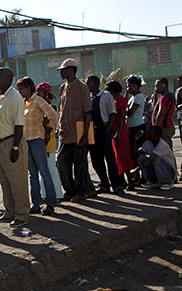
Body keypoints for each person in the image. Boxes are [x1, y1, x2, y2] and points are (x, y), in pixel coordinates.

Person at [0, 67, 29, 227]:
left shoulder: (15, 97)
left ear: (7, 79)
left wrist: (16, 147)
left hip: (11, 143)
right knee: (4, 181)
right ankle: (9, 211)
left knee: (17, 182)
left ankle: (22, 214)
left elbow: (19, 124)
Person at [17, 76, 60, 215]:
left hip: (37, 140)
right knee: (32, 174)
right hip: (26, 141)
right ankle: (36, 203)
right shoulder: (24, 103)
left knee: (44, 172)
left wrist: (47, 130)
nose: (20, 91)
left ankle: (51, 203)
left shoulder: (38, 100)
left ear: (29, 88)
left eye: (21, 89)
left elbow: (53, 116)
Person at [56, 58, 92, 203]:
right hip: (66, 132)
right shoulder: (62, 88)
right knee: (61, 161)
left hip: (80, 130)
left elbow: (87, 112)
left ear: (71, 70)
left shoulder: (82, 87)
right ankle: (69, 191)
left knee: (80, 164)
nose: (62, 72)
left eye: (63, 70)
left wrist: (85, 135)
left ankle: (80, 192)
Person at [86, 75, 125, 195]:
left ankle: (117, 185)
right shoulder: (88, 98)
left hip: (104, 130)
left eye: (88, 83)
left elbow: (112, 113)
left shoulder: (106, 96)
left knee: (110, 159)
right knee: (96, 160)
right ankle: (104, 184)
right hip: (92, 131)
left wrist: (108, 129)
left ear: (95, 83)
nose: (87, 85)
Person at [36, 82, 63, 201]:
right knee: (43, 171)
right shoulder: (39, 107)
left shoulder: (51, 107)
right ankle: (45, 195)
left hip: (48, 142)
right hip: (42, 142)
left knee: (51, 169)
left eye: (40, 91)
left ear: (47, 94)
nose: (38, 94)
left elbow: (47, 125)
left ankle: (57, 195)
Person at [105, 81, 135, 190]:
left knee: (123, 157)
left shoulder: (120, 100)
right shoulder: (114, 100)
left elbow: (122, 118)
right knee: (117, 157)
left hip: (120, 131)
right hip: (114, 130)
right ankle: (123, 180)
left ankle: (130, 179)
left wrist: (118, 133)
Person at [133, 125, 177, 191]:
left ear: (156, 135)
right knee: (141, 158)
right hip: (157, 169)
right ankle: (152, 181)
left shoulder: (162, 145)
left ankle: (168, 183)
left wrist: (135, 171)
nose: (147, 134)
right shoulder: (148, 143)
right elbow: (136, 154)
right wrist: (135, 140)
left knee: (157, 159)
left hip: (169, 171)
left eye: (150, 133)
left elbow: (150, 160)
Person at [126, 76, 147, 162]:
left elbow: (130, 112)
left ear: (135, 85)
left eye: (128, 85)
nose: (127, 88)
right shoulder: (133, 97)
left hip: (137, 126)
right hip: (132, 126)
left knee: (137, 150)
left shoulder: (139, 97)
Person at [151, 77, 176, 148]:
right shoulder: (168, 96)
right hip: (166, 126)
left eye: (157, 85)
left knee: (164, 150)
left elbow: (161, 113)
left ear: (164, 85)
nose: (156, 88)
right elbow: (155, 109)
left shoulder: (165, 98)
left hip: (164, 128)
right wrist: (155, 96)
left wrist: (156, 128)